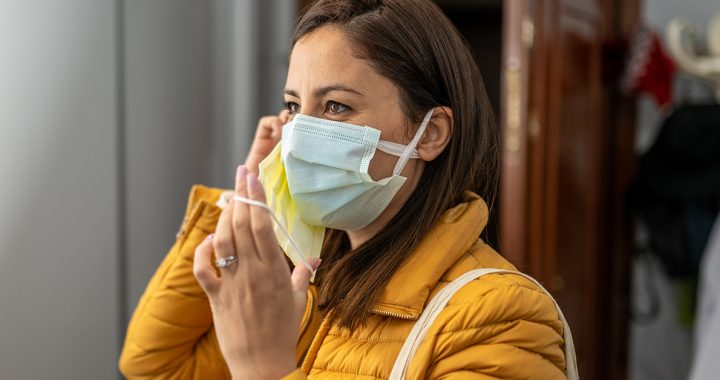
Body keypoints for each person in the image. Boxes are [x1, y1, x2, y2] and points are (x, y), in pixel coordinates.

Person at [119, 0, 572, 379]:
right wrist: (252, 200)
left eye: (336, 106)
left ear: (430, 134)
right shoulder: (306, 280)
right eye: (294, 105)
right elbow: (154, 367)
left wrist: (266, 369)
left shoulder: (504, 317)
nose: (298, 134)